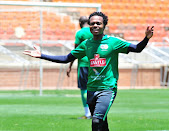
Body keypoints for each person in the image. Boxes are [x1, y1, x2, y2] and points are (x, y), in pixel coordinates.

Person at [23, 12, 154, 131]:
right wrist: (42, 55)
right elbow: (66, 58)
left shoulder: (113, 42)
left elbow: (137, 48)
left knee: (96, 121)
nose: (95, 25)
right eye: (92, 23)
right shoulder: (86, 44)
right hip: (91, 89)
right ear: (89, 26)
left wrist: (146, 38)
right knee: (102, 125)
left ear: (104, 25)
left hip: (107, 89)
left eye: (98, 23)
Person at [66, 16, 93, 119]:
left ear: (80, 23)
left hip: (83, 65)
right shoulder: (94, 32)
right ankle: (95, 112)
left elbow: (75, 52)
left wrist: (70, 66)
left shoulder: (80, 33)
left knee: (84, 89)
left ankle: (87, 113)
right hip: (95, 64)